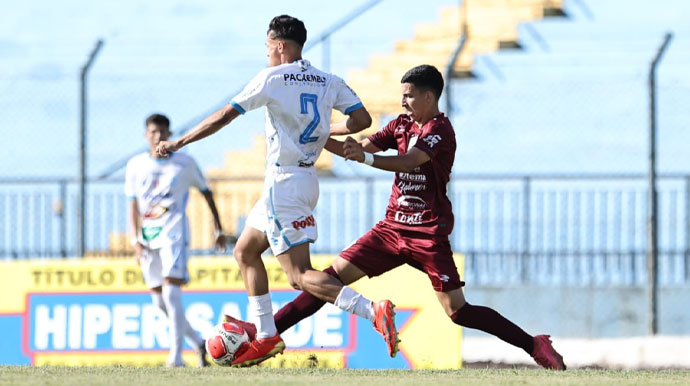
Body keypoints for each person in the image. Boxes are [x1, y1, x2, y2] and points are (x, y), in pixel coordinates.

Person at [228, 64, 567, 370]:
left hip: (428, 233)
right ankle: (263, 334)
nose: (402, 102)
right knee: (327, 283)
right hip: (390, 230)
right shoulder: (402, 124)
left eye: (408, 96)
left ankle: (534, 344)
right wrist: (316, 134)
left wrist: (365, 159)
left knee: (458, 312)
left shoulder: (440, 130)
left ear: (428, 96)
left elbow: (409, 161)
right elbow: (362, 146)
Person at [155, 15, 399, 367]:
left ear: (280, 46)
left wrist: (180, 141)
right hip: (305, 181)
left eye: (268, 48)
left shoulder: (272, 78)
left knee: (299, 275)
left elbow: (225, 115)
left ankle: (373, 311)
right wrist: (325, 132)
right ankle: (267, 334)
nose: (267, 54)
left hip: (282, 183)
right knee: (245, 251)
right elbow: (362, 121)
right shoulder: (328, 80)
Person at [125, 113, 227, 367]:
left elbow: (206, 192)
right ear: (146, 134)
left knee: (171, 293)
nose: (158, 136)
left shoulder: (185, 163)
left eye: (162, 132)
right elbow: (133, 203)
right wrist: (135, 238)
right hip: (148, 237)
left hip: (174, 234)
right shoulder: (135, 165)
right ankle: (199, 343)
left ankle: (175, 358)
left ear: (169, 134)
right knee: (159, 301)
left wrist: (218, 228)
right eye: (153, 132)